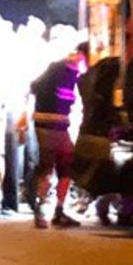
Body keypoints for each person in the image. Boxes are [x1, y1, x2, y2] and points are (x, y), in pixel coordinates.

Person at [31, 41, 88, 230]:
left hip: (60, 125)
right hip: (48, 124)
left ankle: (59, 209)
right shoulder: (58, 68)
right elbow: (35, 86)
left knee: (67, 164)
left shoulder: (73, 73)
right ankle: (40, 207)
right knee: (48, 165)